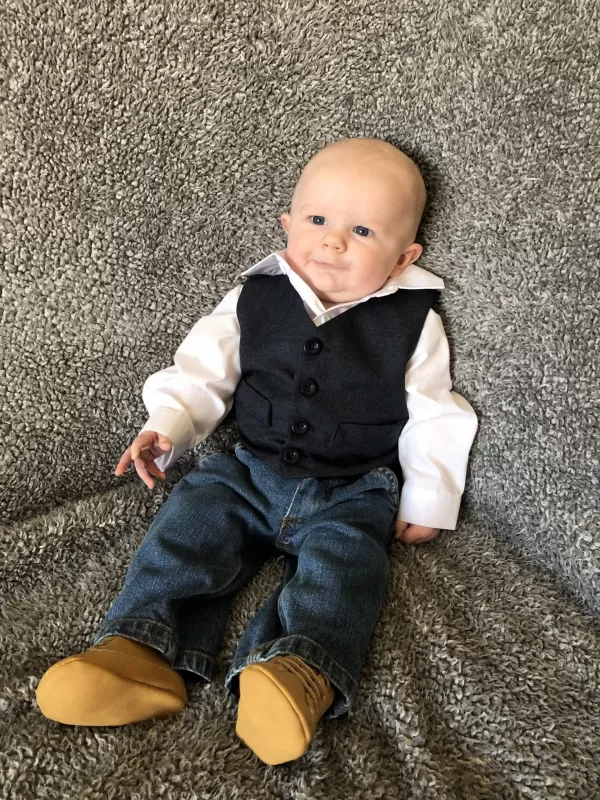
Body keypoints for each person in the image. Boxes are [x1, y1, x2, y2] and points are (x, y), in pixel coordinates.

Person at [36, 136, 478, 766]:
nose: (332, 243)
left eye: (361, 231)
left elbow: (434, 411)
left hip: (354, 486)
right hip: (249, 469)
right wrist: (169, 422)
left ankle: (298, 669)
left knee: (347, 567)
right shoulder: (255, 295)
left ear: (403, 257)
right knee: (190, 526)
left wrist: (429, 496)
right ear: (288, 225)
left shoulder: (414, 321)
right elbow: (203, 369)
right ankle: (140, 647)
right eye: (318, 220)